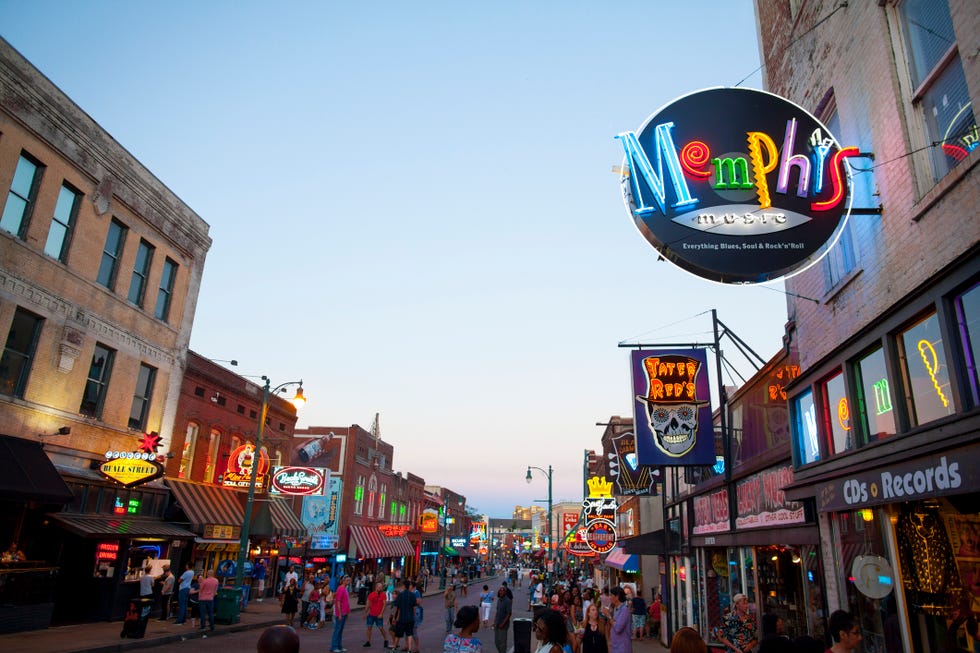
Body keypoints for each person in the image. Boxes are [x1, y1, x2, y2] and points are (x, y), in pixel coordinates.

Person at [392, 579, 419, 653]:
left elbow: (396, 608)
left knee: (398, 634)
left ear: (404, 586)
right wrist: (413, 616)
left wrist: (394, 617)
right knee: (409, 634)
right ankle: (409, 649)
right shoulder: (412, 595)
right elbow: (414, 608)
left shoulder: (400, 595)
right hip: (410, 618)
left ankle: (394, 648)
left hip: (402, 618)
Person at [331, 575, 352, 653]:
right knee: (337, 630)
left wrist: (347, 612)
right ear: (343, 580)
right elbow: (338, 601)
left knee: (340, 630)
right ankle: (334, 646)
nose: (348, 582)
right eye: (347, 580)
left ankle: (339, 646)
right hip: (341, 613)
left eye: (349, 580)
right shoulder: (341, 589)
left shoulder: (345, 589)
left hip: (344, 612)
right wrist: (339, 613)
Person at [365, 581, 388, 647]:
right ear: (376, 587)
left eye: (381, 587)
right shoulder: (371, 594)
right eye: (379, 587)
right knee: (369, 627)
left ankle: (386, 640)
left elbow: (384, 605)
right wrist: (365, 612)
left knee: (381, 628)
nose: (380, 588)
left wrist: (381, 613)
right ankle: (368, 641)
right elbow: (368, 604)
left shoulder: (383, 594)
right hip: (371, 614)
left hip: (378, 615)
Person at [608, 588, 632, 653]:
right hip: (616, 646)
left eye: (611, 595)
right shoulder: (617, 609)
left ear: (617, 597)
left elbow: (618, 628)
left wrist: (609, 616)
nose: (609, 597)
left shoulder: (624, 610)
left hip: (622, 647)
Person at [198, 569, 219, 633]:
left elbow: (201, 589)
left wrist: (199, 596)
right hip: (210, 598)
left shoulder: (205, 581)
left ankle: (203, 626)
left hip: (203, 598)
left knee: (203, 613)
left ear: (207, 574)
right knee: (210, 613)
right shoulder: (216, 581)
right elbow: (216, 590)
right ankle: (212, 626)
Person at [493, 584, 512, 653]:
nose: (501, 592)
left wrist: (503, 624)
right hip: (497, 624)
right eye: (500, 591)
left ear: (505, 592)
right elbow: (497, 612)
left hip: (503, 626)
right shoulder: (499, 600)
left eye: (502, 591)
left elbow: (508, 614)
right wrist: (494, 622)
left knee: (502, 643)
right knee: (496, 642)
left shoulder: (508, 601)